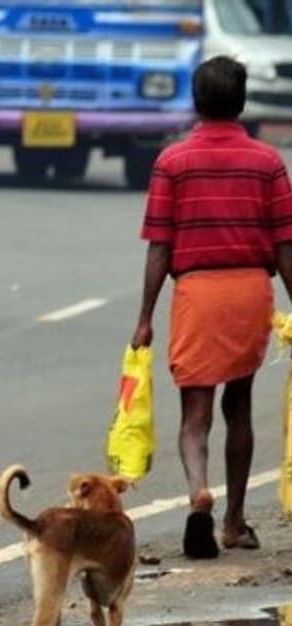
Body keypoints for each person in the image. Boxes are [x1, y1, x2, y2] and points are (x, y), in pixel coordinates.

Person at [132, 56, 292, 559]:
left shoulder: (172, 162)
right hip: (249, 291)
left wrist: (144, 317)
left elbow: (159, 246)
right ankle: (234, 520)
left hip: (196, 293)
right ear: (242, 103)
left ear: (196, 102)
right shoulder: (268, 162)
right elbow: (286, 243)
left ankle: (198, 489)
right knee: (238, 406)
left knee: (194, 415)